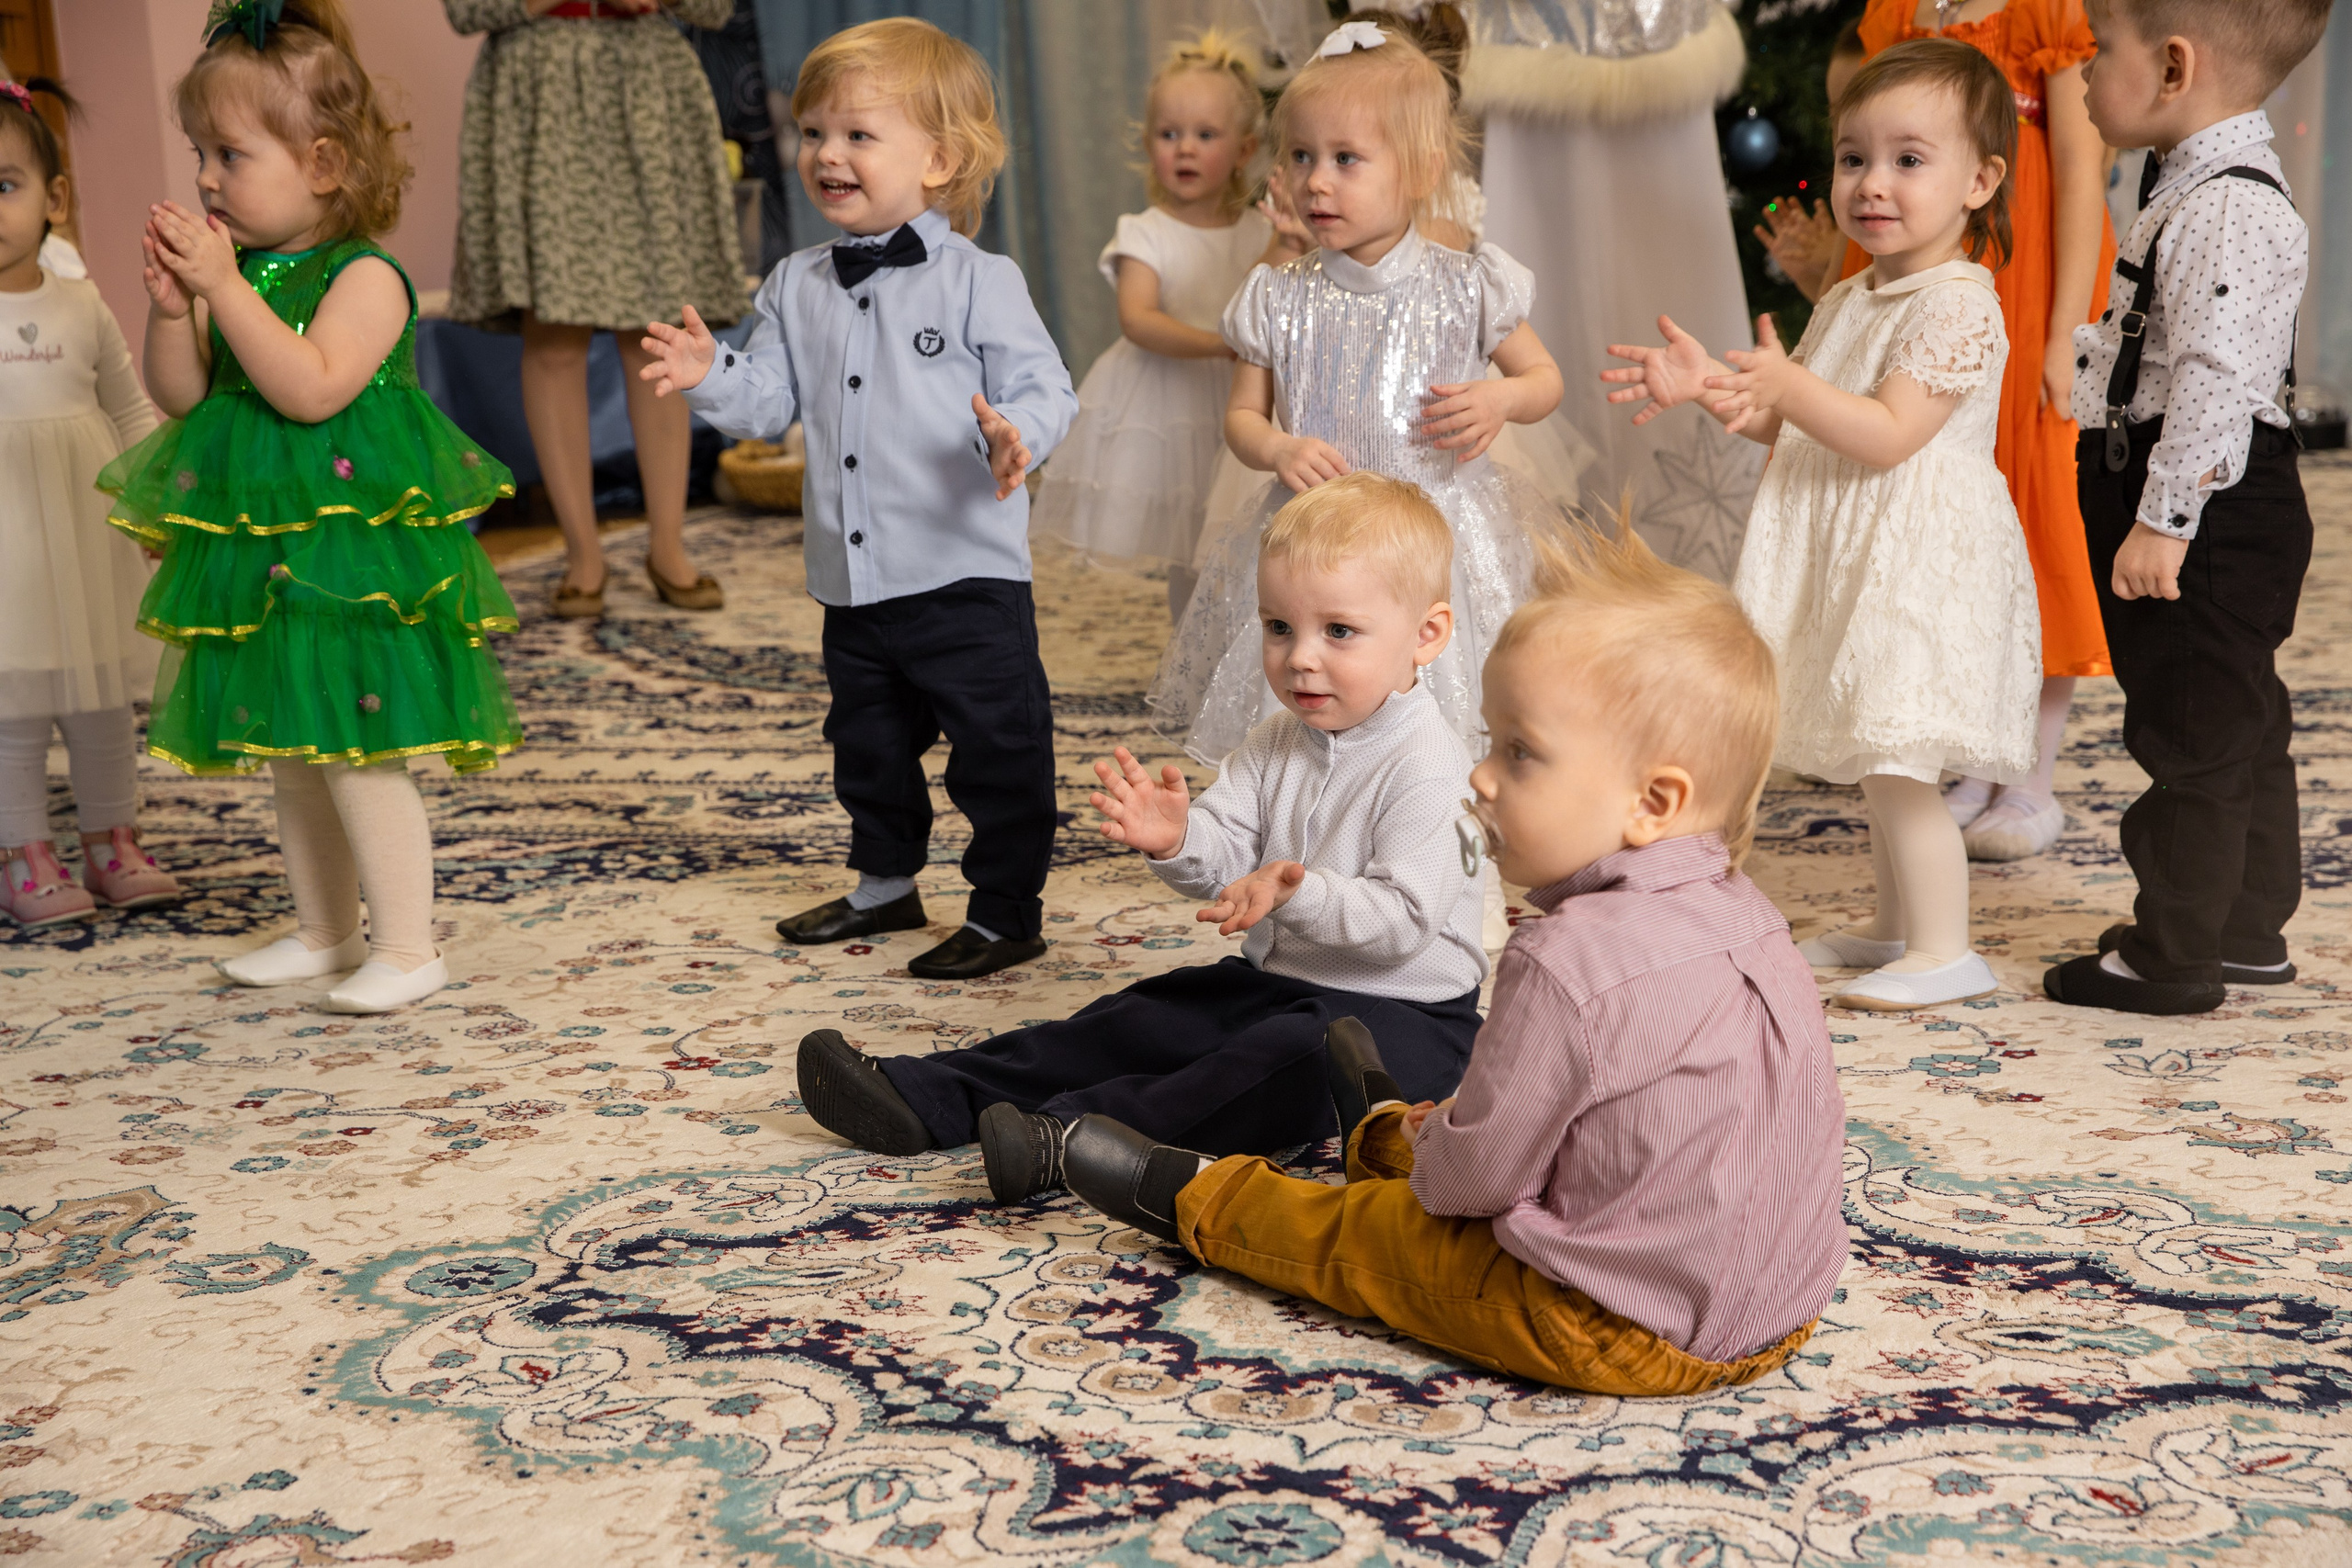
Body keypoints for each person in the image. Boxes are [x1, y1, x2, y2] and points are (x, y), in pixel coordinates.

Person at [1054, 516, 1848, 1396]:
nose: (1479, 776)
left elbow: (1473, 1188)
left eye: (1520, 753)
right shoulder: (1754, 917)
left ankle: (1188, 1191)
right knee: (1490, 1130)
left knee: (1368, 1237)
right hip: (1783, 1307)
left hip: (1613, 1324)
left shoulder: (1564, 959)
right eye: (1488, 741)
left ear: (1652, 801)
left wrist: (1441, 1160)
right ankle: (1385, 1127)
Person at [794, 475, 1485, 1203]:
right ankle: (924, 1094)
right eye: (1279, 628)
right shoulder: (1280, 738)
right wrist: (1181, 837)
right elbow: (1225, 850)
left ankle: (1074, 1140)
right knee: (1139, 1019)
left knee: (1261, 1067)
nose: (1300, 657)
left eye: (1337, 631)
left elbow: (1403, 923)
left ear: (1427, 635)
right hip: (1280, 981)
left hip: (1406, 1016)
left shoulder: (1432, 767)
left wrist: (1296, 891)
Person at [100, 0, 522, 1013]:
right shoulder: (242, 273)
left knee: (363, 753)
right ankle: (326, 932)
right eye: (198, 152)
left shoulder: (367, 275)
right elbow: (190, 398)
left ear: (323, 164)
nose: (204, 177)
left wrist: (224, 294)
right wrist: (174, 311)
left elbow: (310, 388)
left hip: (352, 572)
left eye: (230, 156)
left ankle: (411, 946)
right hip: (273, 559)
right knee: (295, 754)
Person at [1605, 39, 2041, 1012]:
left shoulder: (1960, 304)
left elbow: (1887, 432)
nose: (1871, 183)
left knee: (1898, 758)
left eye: (1907, 160)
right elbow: (1786, 416)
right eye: (1853, 158)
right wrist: (1712, 390)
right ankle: (1893, 928)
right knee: (1866, 747)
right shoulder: (1850, 293)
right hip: (1852, 547)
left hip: (1915, 559)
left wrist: (1792, 385)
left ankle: (1945, 948)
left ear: (1980, 179)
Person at [639, 17, 1077, 982]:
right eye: (812, 133)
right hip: (851, 578)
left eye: (857, 135)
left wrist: (1018, 436)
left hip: (963, 571)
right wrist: (712, 371)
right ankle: (886, 881)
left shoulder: (980, 280)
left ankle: (1007, 912)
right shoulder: (795, 282)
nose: (826, 154)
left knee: (998, 751)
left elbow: (1046, 389)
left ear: (938, 161)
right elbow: (767, 402)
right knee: (867, 747)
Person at [1148, 17, 1566, 768]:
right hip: (1319, 535)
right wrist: (1276, 445)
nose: (1315, 181)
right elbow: (1242, 416)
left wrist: (1501, 400)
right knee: (1313, 689)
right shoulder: (1277, 295)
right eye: (1302, 156)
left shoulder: (1468, 284)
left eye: (1346, 159)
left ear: (1419, 169)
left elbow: (1544, 380)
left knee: (1441, 689)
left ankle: (1435, 824)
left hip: (1434, 531)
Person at [2044, 0, 2330, 1016]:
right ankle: (2243, 928)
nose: (2081, 73)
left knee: (2189, 732)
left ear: (2172, 66)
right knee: (2238, 716)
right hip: (2214, 492)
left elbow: (2215, 377)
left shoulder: (2224, 209)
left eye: (2097, 51)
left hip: (2199, 501)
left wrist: (2163, 520)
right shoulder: (2201, 186)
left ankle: (2172, 956)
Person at [1832, 0, 2120, 864]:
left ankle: (2033, 772)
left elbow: (2079, 161)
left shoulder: (2049, 11)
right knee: (1937, 509)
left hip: (2029, 273)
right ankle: (1972, 751)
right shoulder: (1899, 12)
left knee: (2035, 507)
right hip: (1925, 263)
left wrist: (2067, 326)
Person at [444, 0, 750, 620]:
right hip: (541, 91)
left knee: (654, 330)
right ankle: (583, 552)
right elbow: (465, 9)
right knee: (553, 335)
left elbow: (715, 8)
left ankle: (668, 543)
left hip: (645, 83)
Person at [0, 76, 181, 928]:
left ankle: (114, 839)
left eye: (5, 185)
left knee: (102, 699)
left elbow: (130, 407)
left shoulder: (82, 301)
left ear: (54, 198)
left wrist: (155, 507)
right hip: (9, 553)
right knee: (15, 707)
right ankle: (25, 851)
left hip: (85, 528)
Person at [1030, 32, 1271, 623]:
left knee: (1243, 534)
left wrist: (1287, 242)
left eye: (1205, 135)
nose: (1185, 149)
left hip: (1240, 400)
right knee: (1188, 540)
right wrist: (1222, 344)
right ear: (1148, 144)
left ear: (1244, 150)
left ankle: (1245, 645)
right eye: (1169, 135)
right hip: (1167, 402)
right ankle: (1188, 654)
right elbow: (1139, 319)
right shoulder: (1144, 231)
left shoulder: (1259, 232)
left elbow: (1277, 298)